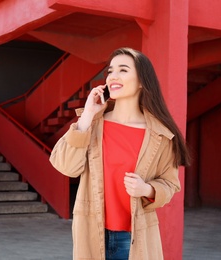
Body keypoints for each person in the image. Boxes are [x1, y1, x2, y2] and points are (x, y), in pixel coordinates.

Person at [49, 47, 190, 260]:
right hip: (92, 233)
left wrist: (147, 189)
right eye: (110, 71)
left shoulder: (161, 135)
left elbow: (170, 185)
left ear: (142, 82)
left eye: (123, 70)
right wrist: (86, 116)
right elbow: (65, 166)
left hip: (134, 238)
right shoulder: (92, 124)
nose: (113, 76)